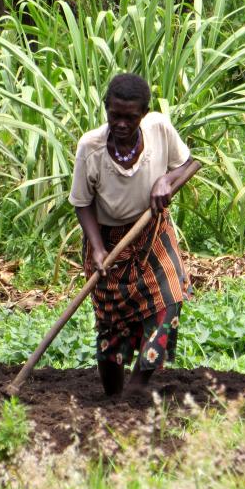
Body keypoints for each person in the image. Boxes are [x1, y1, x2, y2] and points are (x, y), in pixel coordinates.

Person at [69, 73, 193, 396]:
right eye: (115, 115)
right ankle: (114, 396)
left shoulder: (159, 130)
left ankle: (139, 386)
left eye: (130, 117)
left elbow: (189, 164)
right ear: (106, 109)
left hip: (151, 231)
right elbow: (82, 203)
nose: (122, 123)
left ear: (143, 114)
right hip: (108, 242)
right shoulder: (90, 147)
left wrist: (167, 181)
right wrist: (96, 249)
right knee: (113, 327)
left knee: (169, 299)